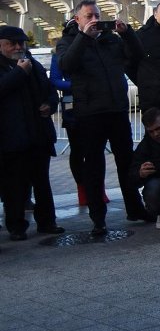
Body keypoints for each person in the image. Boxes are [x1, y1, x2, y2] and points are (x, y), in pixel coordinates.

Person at [56, 0, 151, 235]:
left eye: (97, 15)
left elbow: (138, 55)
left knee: (126, 162)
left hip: (116, 109)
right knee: (94, 166)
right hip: (89, 113)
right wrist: (84, 37)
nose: (95, 20)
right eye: (89, 16)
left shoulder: (110, 40)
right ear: (77, 19)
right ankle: (98, 217)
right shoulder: (67, 41)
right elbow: (67, 65)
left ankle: (134, 207)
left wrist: (127, 34)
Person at [0, 26, 65, 241]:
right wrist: (19, 73)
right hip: (12, 138)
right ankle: (16, 226)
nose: (18, 47)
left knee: (42, 183)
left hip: (38, 135)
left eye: (21, 43)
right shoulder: (14, 67)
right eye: (12, 44)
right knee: (14, 186)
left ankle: (47, 222)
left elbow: (50, 92)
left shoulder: (33, 65)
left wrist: (50, 104)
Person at [50, 26, 111, 207]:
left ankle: (99, 188)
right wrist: (78, 84)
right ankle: (82, 188)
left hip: (95, 105)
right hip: (72, 106)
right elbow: (55, 79)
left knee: (96, 149)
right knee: (77, 150)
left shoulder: (95, 45)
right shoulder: (61, 50)